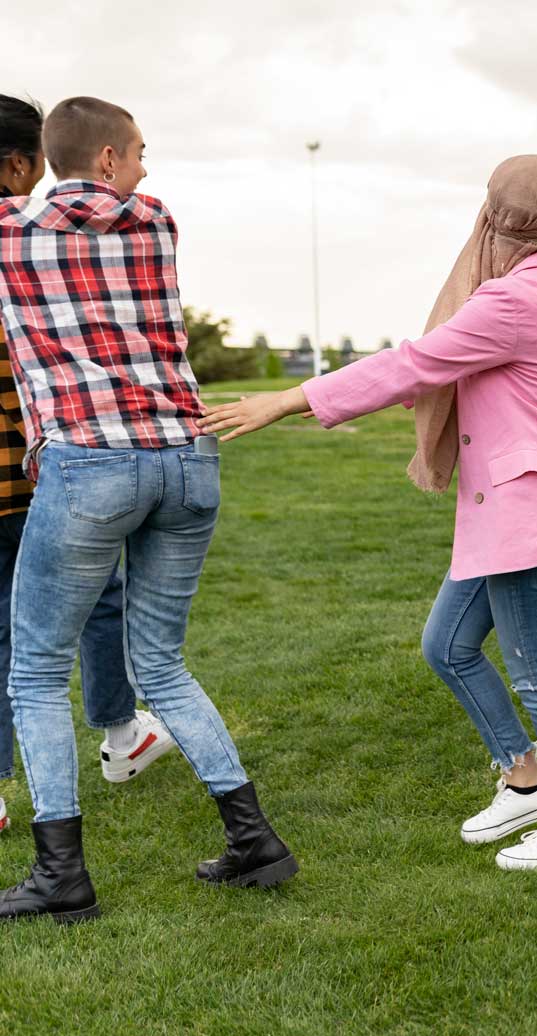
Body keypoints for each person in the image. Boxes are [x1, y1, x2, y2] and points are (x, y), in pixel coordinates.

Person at [204, 155, 537, 872]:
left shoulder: (512, 300)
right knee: (447, 646)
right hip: (516, 511)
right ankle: (524, 775)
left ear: (492, 213)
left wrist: (286, 401)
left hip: (531, 516)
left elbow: (409, 365)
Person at [0, 97, 297, 924]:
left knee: (32, 673)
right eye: (135, 151)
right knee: (160, 664)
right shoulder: (157, 224)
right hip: (187, 460)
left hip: (91, 464)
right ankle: (254, 840)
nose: (145, 168)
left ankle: (61, 875)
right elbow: (123, 207)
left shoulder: (12, 239)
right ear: (103, 159)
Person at [0, 94, 178, 839]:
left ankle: (116, 732)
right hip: (24, 473)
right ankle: (114, 733)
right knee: (68, 610)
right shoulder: (18, 242)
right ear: (17, 164)